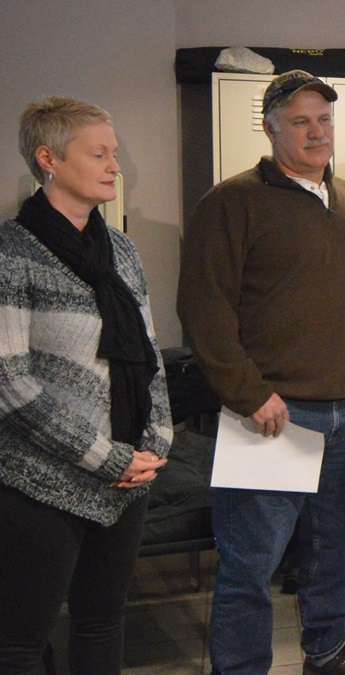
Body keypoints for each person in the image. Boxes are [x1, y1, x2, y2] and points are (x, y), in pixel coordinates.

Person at [177, 70, 345, 675]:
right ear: (271, 129)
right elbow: (203, 308)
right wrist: (248, 394)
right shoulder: (232, 202)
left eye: (324, 119)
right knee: (252, 561)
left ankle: (328, 651)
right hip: (273, 415)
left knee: (334, 547)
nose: (316, 132)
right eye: (300, 121)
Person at [0, 97, 172, 673]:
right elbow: (10, 383)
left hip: (128, 477)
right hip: (41, 482)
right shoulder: (12, 252)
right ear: (49, 159)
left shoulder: (120, 249)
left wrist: (158, 441)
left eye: (113, 154)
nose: (113, 167)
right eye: (97, 154)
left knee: (103, 621)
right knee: (21, 639)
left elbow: (149, 355)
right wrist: (105, 458)